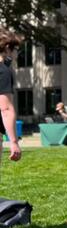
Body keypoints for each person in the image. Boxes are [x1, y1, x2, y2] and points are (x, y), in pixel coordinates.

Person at [0, 27, 23, 165]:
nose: (17, 54)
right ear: (8, 48)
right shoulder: (3, 72)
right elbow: (6, 109)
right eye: (16, 50)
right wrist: (14, 142)